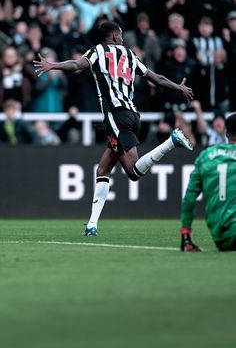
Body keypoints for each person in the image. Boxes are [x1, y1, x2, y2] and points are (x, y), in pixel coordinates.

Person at [34, 20, 194, 236]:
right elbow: (156, 79)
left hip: (115, 115)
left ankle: (170, 142)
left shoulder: (98, 51)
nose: (123, 38)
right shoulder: (129, 55)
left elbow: (76, 65)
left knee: (133, 172)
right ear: (115, 37)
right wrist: (178, 86)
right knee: (102, 170)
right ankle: (92, 225)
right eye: (121, 34)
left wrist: (54, 65)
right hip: (131, 115)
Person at [180, 112, 236, 252]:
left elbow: (189, 198)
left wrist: (185, 235)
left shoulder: (206, 156)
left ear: (226, 132)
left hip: (223, 238)